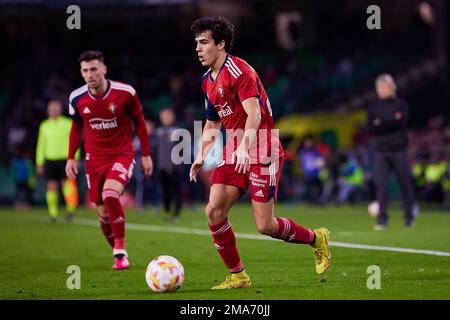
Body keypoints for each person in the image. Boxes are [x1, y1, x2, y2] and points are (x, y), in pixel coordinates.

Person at [189, 17, 331, 289]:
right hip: (235, 149)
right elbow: (212, 123)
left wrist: (245, 147)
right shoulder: (207, 80)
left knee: (265, 225)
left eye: (204, 42)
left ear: (221, 44)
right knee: (214, 210)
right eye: (197, 42)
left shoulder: (240, 71)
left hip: (262, 147)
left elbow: (253, 114)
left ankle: (317, 238)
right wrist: (200, 156)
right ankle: (238, 275)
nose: (198, 48)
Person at [65, 50, 153, 270]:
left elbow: (140, 122)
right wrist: (70, 158)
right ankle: (119, 251)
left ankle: (119, 251)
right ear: (81, 73)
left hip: (122, 154)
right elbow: (76, 128)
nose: (90, 74)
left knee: (110, 194)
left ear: (104, 69)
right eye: (85, 70)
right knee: (102, 212)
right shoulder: (76, 98)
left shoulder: (125, 93)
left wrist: (146, 154)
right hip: (93, 160)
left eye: (94, 69)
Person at [367, 74, 415, 230]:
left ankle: (409, 217)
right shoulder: (374, 105)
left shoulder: (400, 104)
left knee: (404, 183)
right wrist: (390, 122)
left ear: (390, 87)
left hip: (398, 149)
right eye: (378, 87)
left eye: (382, 87)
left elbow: (400, 123)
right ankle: (382, 220)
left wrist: (382, 122)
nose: (380, 90)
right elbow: (371, 127)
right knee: (381, 186)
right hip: (380, 150)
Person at [36, 100, 79, 222]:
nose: (54, 110)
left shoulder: (68, 123)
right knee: (51, 186)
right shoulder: (44, 125)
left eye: (56, 108)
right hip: (50, 159)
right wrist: (39, 162)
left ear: (60, 110)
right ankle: (53, 213)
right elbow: (41, 145)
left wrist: (75, 158)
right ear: (48, 110)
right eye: (52, 108)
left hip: (65, 159)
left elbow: (75, 142)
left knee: (68, 185)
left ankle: (71, 210)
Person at [156, 107, 183, 222]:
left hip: (175, 167)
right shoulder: (158, 132)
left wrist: (180, 165)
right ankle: (167, 212)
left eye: (167, 116)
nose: (165, 119)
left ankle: (176, 213)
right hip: (162, 166)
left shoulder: (178, 131)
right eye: (163, 117)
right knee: (165, 191)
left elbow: (184, 149)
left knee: (176, 191)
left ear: (172, 117)